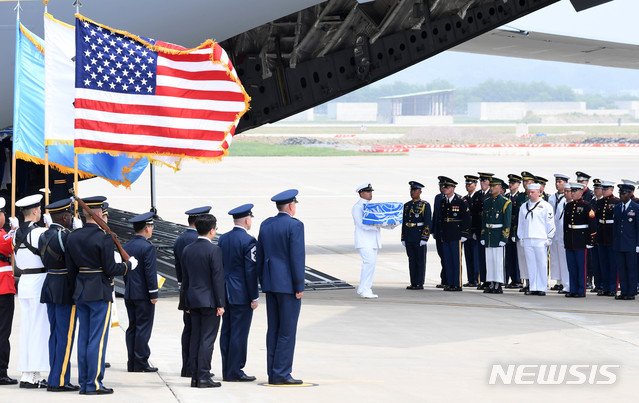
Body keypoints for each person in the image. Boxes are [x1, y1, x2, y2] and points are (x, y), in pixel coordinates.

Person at [65, 196, 138, 395]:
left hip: (80, 290)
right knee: (97, 339)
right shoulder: (104, 237)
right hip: (99, 291)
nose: (105, 218)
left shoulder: (73, 236)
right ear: (98, 214)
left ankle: (83, 381)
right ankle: (93, 384)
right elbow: (110, 268)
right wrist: (128, 266)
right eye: (104, 215)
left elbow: (71, 270)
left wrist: (75, 290)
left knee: (84, 338)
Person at [256, 189, 305, 385]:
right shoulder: (295, 226)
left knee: (273, 329)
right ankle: (282, 373)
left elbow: (259, 256)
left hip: (270, 283)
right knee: (287, 330)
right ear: (292, 206)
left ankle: (273, 371)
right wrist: (299, 284)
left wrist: (263, 280)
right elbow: (296, 257)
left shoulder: (266, 224)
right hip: (287, 285)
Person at [38, 199, 79, 392]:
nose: (71, 218)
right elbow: (73, 265)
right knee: (65, 335)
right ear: (64, 217)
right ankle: (60, 380)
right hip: (64, 287)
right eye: (70, 215)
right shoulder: (66, 236)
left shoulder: (43, 235)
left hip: (50, 285)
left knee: (55, 334)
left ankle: (55, 375)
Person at [181, 213, 225, 388]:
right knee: (207, 340)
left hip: (192, 300)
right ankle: (204, 376)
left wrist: (185, 303)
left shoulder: (188, 249)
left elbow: (185, 278)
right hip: (209, 301)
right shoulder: (214, 250)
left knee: (196, 339)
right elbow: (217, 278)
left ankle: (195, 376)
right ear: (212, 230)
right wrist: (220, 303)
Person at [218, 204, 259, 382]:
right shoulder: (249, 241)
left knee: (226, 331)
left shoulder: (223, 239)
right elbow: (250, 271)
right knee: (239, 333)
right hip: (241, 293)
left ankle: (227, 369)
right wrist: (254, 296)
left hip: (224, 291)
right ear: (247, 220)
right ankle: (235, 370)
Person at [13, 194, 49, 388]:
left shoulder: (15, 234)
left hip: (25, 281)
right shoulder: (40, 232)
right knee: (38, 329)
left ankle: (28, 373)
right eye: (40, 209)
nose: (41, 212)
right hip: (38, 281)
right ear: (35, 211)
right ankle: (32, 374)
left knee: (28, 328)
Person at [173, 206, 211, 378]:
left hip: (185, 289)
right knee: (199, 332)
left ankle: (187, 367)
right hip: (200, 291)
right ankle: (195, 367)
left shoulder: (180, 239)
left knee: (188, 329)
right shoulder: (198, 240)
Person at [123, 212, 159, 373]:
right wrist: (153, 294)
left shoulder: (126, 246)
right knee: (143, 328)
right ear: (147, 228)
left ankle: (132, 361)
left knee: (133, 327)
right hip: (144, 294)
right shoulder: (148, 247)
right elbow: (150, 273)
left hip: (130, 292)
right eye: (151, 226)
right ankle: (141, 361)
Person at [517, 183, 555, 296]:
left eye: (533, 192)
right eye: (529, 192)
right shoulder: (524, 206)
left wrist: (550, 237)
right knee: (531, 264)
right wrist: (521, 237)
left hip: (541, 239)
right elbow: (521, 223)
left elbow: (550, 223)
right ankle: (533, 287)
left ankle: (542, 287)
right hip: (528, 238)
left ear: (539, 192)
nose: (530, 194)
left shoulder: (546, 206)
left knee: (542, 264)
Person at [563, 183, 597, 298]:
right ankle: (573, 289)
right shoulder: (568, 206)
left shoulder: (587, 206)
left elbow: (592, 225)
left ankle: (581, 290)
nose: (572, 193)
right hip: (570, 240)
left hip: (581, 240)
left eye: (575, 191)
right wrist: (566, 240)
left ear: (581, 192)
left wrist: (590, 241)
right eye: (571, 191)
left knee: (581, 267)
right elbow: (565, 226)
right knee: (571, 266)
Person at [437, 177, 471, 291]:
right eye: (444, 186)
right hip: (446, 234)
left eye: (447, 187)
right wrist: (441, 233)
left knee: (456, 260)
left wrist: (464, 234)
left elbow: (466, 218)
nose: (444, 188)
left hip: (456, 234)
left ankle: (457, 283)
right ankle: (450, 282)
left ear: (453, 188)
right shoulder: (443, 201)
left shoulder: (461, 201)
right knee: (447, 260)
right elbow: (441, 219)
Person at [480, 178, 512, 294]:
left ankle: (498, 283)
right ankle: (491, 282)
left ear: (500, 187)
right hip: (489, 235)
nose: (491, 188)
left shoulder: (505, 202)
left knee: (498, 261)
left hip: (498, 235)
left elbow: (507, 222)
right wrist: (483, 236)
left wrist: (504, 237)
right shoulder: (487, 202)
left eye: (494, 186)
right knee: (490, 260)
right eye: (491, 186)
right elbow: (484, 221)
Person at [352, 183, 381, 298]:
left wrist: (390, 224)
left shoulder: (371, 207)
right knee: (368, 264)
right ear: (361, 194)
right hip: (364, 241)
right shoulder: (357, 207)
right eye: (368, 192)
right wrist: (377, 224)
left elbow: (379, 221)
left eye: (371, 192)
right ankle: (364, 289)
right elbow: (362, 225)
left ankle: (366, 288)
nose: (371, 194)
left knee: (371, 265)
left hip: (373, 241)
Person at [401, 181, 431, 290]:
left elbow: (427, 222)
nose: (412, 192)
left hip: (419, 236)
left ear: (420, 191)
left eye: (415, 190)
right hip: (409, 236)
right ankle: (413, 282)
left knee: (420, 261)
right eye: (411, 190)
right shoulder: (407, 205)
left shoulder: (425, 205)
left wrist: (424, 237)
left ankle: (419, 282)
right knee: (412, 260)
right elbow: (404, 223)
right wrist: (403, 237)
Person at [0, 197, 17, 386]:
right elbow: (15, 244)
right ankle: (1, 371)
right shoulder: (4, 237)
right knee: (2, 333)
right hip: (3, 288)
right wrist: (17, 231)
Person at [613, 184, 639, 300]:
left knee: (631, 269)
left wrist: (638, 244)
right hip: (619, 243)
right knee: (622, 269)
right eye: (620, 193)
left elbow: (638, 228)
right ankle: (624, 291)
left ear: (630, 194)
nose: (621, 196)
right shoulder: (617, 207)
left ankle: (631, 292)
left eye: (623, 193)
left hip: (631, 244)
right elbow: (616, 227)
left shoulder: (636, 207)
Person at [595, 181, 620, 297]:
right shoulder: (599, 203)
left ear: (612, 189)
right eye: (603, 189)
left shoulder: (616, 202)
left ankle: (612, 288)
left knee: (613, 263)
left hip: (612, 235)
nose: (604, 191)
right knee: (603, 263)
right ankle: (604, 287)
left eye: (606, 189)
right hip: (602, 235)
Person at [548, 174, 569, 293]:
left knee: (563, 257)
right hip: (553, 231)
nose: (557, 184)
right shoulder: (552, 198)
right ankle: (558, 281)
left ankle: (565, 282)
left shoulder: (566, 199)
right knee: (554, 256)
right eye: (556, 182)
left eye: (560, 182)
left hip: (562, 231)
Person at [515, 171, 535, 293]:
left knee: (532, 260)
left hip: (533, 235)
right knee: (523, 260)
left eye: (528, 181)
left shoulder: (538, 198)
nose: (525, 183)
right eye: (524, 181)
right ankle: (526, 282)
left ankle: (533, 282)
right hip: (522, 233)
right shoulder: (520, 197)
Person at [472, 172, 493, 290]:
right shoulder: (477, 195)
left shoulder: (492, 194)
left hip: (489, 231)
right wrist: (474, 230)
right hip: (480, 230)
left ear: (489, 182)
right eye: (481, 181)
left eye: (484, 181)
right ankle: (484, 279)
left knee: (489, 257)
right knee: (481, 257)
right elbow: (474, 214)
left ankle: (490, 280)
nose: (482, 183)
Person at [504, 174, 523, 288]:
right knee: (509, 256)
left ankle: (518, 280)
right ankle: (512, 278)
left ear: (518, 184)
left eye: (513, 183)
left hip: (516, 230)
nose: (511, 185)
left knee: (517, 256)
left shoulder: (519, 198)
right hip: (508, 230)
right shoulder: (506, 197)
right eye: (510, 183)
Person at [462, 175, 479, 287]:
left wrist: (475, 232)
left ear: (475, 185)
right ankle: (471, 279)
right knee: (468, 256)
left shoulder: (477, 198)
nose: (468, 186)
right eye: (467, 184)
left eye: (470, 184)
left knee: (476, 257)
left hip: (474, 232)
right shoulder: (464, 199)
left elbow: (477, 217)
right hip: (466, 233)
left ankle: (476, 279)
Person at [431, 178, 447, 288]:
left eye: (443, 186)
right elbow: (435, 215)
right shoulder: (437, 197)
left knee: (448, 257)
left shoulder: (455, 198)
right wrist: (432, 230)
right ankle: (444, 279)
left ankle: (449, 279)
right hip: (438, 232)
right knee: (442, 257)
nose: (441, 188)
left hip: (448, 233)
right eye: (440, 185)